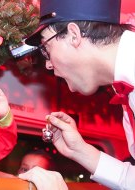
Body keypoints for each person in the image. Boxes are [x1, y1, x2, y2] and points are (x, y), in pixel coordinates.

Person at [18, 0, 135, 190]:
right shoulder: (127, 91)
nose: (47, 64)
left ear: (73, 35)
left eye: (46, 50)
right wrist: (80, 151)